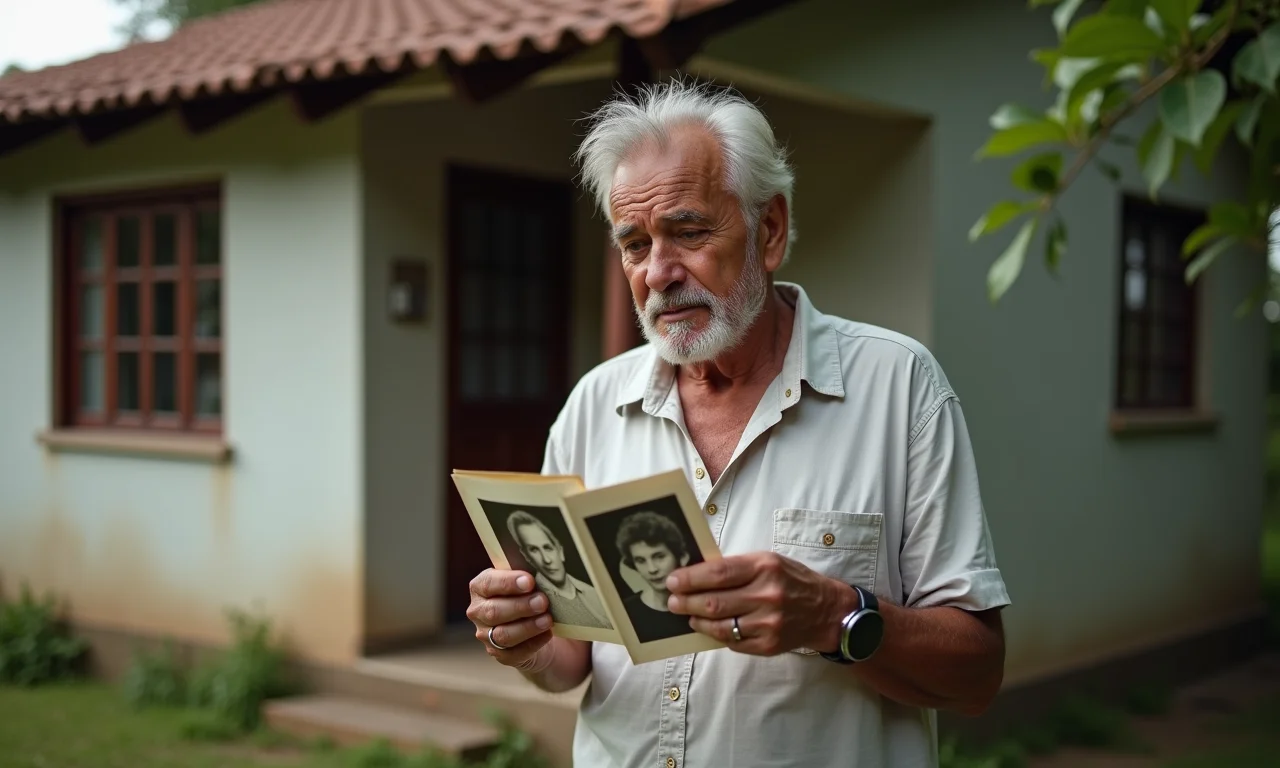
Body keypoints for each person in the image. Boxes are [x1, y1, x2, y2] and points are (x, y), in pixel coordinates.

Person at [466, 79, 1011, 767]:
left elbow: (977, 676)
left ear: (770, 230)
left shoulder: (900, 386)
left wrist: (833, 616)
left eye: (688, 232)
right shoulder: (592, 405)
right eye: (634, 244)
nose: (659, 273)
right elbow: (571, 661)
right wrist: (524, 639)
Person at [505, 510, 611, 630]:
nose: (546, 560)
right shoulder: (534, 603)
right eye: (534, 550)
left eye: (548, 548)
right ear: (526, 556)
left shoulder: (593, 593)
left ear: (560, 552)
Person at [614, 511, 694, 643]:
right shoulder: (626, 612)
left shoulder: (702, 606)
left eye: (659, 557)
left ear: (682, 557)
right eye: (641, 560)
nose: (652, 569)